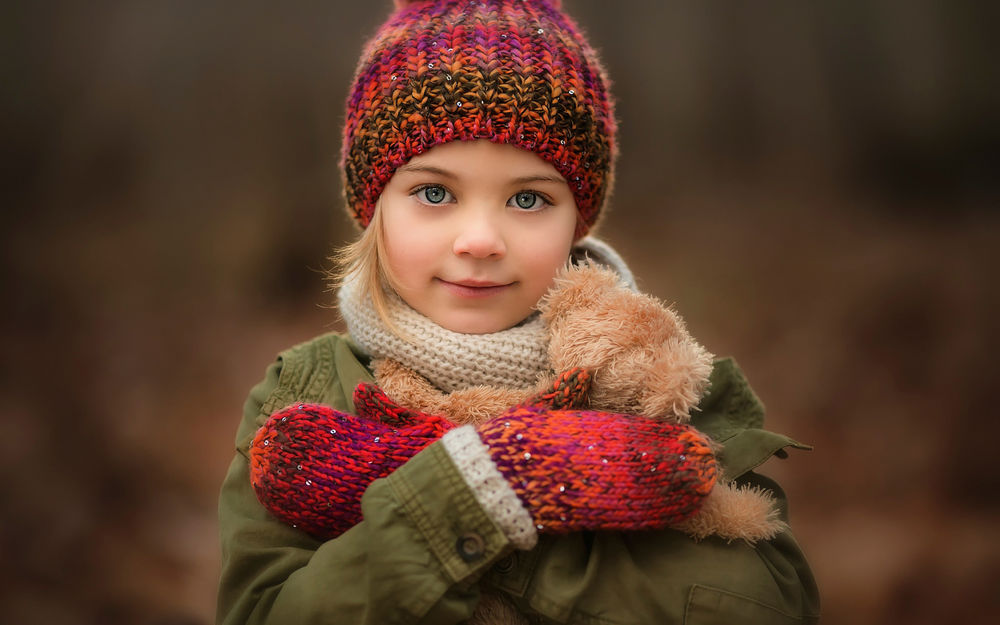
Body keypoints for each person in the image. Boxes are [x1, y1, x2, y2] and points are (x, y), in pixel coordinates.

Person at [216, 1, 821, 623]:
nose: (480, 239)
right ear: (375, 209)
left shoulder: (661, 384)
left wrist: (518, 489)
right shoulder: (304, 395)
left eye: (528, 198)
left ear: (576, 222)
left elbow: (766, 603)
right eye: (433, 193)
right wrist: (474, 492)